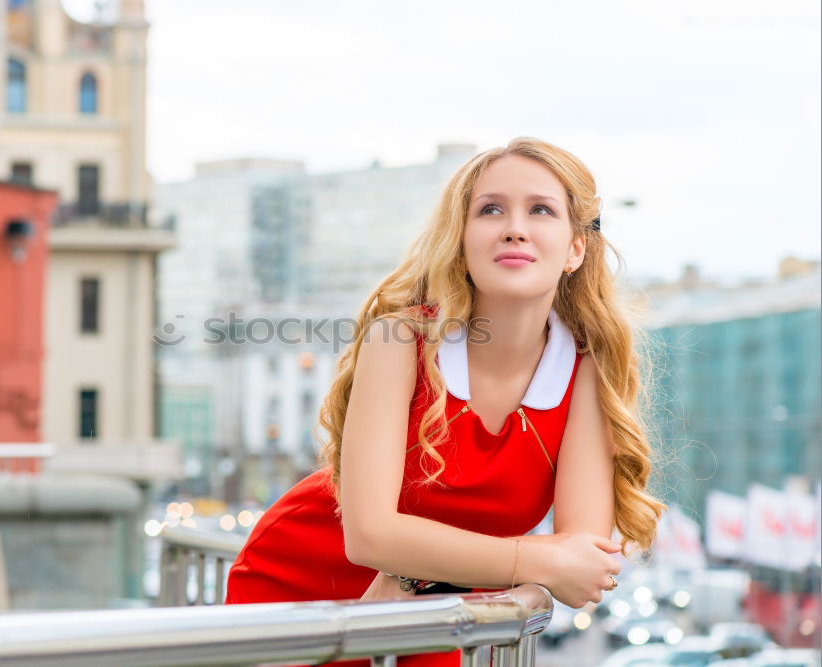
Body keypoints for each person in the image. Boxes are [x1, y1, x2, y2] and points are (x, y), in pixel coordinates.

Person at [223, 137, 668, 666]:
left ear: (576, 247)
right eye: (491, 209)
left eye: (542, 210)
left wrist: (423, 566)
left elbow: (580, 561)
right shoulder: (399, 341)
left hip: (435, 610)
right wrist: (527, 558)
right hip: (302, 588)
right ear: (461, 239)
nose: (514, 226)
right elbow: (369, 536)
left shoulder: (586, 367)